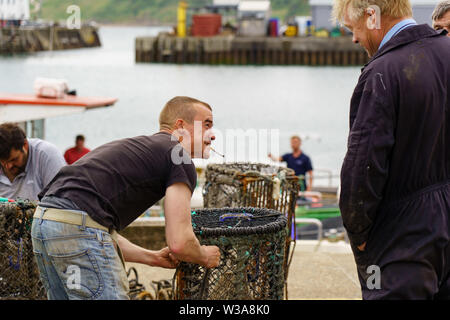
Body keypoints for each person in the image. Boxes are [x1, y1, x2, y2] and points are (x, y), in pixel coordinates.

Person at [31, 96, 221, 300]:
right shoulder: (179, 156)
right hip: (76, 228)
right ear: (181, 126)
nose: (213, 135)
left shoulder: (137, 147)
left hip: (44, 224)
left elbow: (92, 226)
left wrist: (153, 258)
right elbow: (179, 242)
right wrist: (204, 255)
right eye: (207, 124)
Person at [333, 0, 450, 299]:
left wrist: (360, 235)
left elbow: (363, 166)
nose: (354, 39)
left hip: (402, 235)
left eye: (353, 28)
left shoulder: (382, 72)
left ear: (372, 15)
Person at [0, 123, 66, 201]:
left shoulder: (47, 155)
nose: (9, 166)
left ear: (25, 145)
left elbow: (61, 200)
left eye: (14, 159)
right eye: (3, 162)